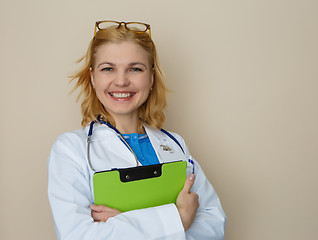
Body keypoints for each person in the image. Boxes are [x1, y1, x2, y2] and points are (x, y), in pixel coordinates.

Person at [48, 20, 226, 240]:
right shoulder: (70, 149)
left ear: (151, 78)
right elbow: (78, 235)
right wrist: (178, 220)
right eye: (108, 69)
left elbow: (214, 224)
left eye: (135, 69)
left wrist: (125, 222)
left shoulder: (174, 144)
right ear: (92, 77)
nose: (121, 81)